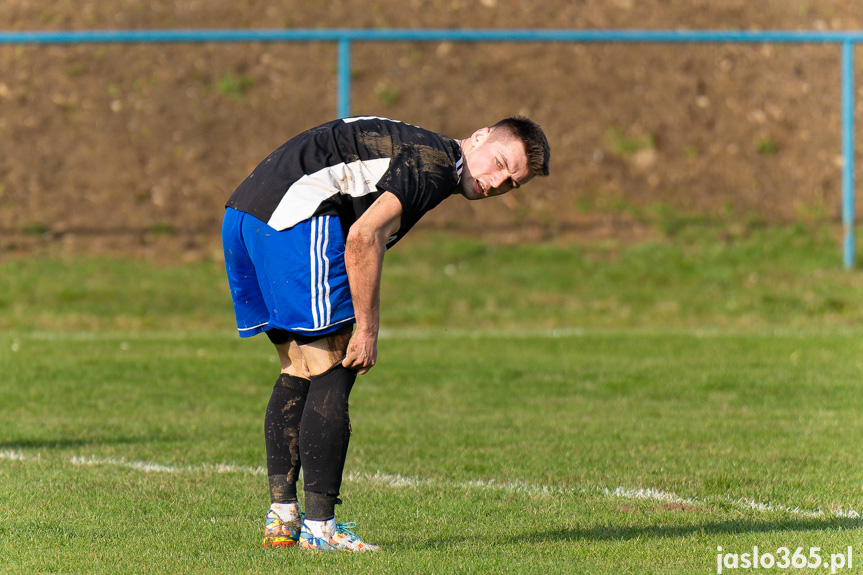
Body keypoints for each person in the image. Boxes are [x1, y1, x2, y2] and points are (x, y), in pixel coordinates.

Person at [221, 115, 550, 552]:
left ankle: (283, 519)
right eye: (499, 163)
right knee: (336, 366)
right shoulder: (435, 163)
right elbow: (362, 237)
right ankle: (321, 529)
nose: (497, 182)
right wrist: (368, 330)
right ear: (480, 136)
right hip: (295, 215)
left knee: (299, 367)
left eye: (512, 182)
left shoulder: (416, 147)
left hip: (244, 215)